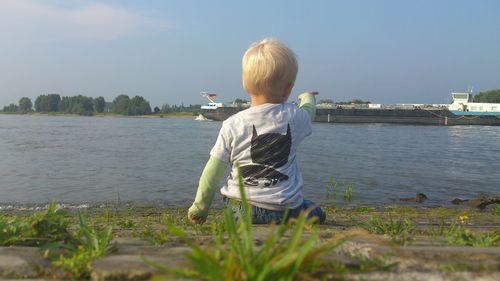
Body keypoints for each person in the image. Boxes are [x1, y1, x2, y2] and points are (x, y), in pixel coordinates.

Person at [188, 38, 325, 224]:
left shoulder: (232, 124)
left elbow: (211, 174)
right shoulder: (295, 117)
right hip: (285, 210)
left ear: (245, 83)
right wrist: (307, 97)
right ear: (288, 89)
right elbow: (309, 112)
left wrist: (200, 207)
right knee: (313, 210)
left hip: (239, 210)